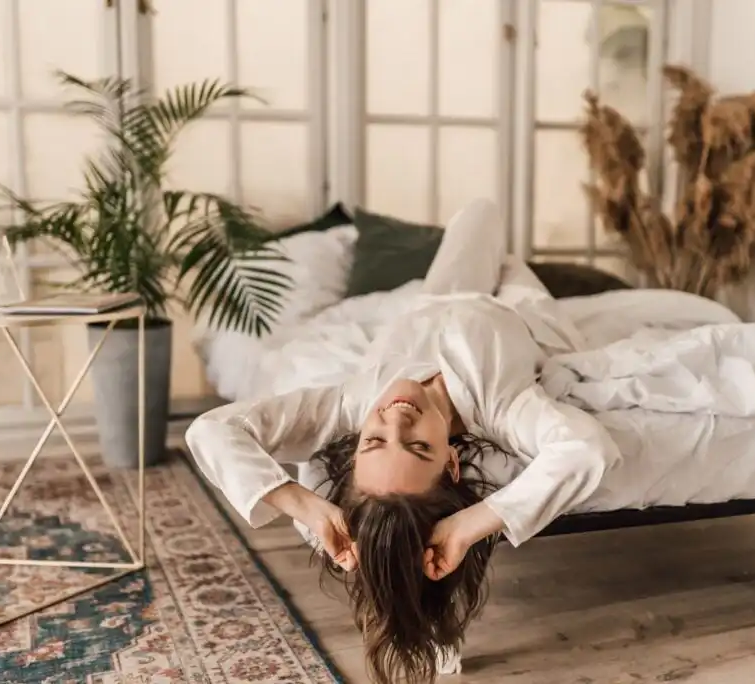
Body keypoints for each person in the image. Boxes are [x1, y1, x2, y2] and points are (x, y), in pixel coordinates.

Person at [185, 199, 621, 684]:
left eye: (374, 441)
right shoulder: (500, 404)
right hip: (521, 312)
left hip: (439, 298)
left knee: (481, 211)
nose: (396, 418)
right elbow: (587, 450)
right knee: (499, 239)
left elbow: (210, 429)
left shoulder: (350, 404)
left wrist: (307, 507)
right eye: (418, 447)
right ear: (452, 462)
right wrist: (465, 527)